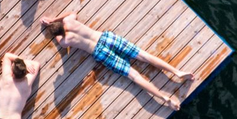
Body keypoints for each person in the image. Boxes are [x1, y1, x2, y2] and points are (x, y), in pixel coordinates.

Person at [40, 11, 194, 110]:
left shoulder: (64, 41)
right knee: (144, 56)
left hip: (99, 51)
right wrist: (54, 19)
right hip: (106, 38)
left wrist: (53, 31)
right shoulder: (69, 21)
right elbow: (73, 13)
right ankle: (177, 72)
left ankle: (165, 98)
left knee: (134, 76)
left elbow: (60, 38)